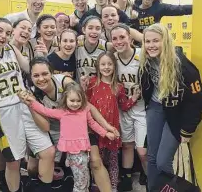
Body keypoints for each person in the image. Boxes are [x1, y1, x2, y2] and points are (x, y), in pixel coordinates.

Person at [0, 18, 55, 192]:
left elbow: (27, 67)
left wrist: (42, 55)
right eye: (0, 31)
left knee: (48, 152)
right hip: (4, 111)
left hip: (25, 103)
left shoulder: (10, 48)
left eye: (8, 33)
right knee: (14, 162)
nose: (4, 36)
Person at [28, 57, 119, 192]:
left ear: (51, 73)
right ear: (30, 76)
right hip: (57, 131)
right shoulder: (35, 95)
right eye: (36, 75)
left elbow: (88, 108)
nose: (41, 78)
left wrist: (107, 127)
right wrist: (30, 104)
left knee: (95, 161)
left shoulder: (65, 82)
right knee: (32, 168)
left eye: (45, 73)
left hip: (81, 129)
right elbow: (45, 126)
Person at [139, 23, 202, 190]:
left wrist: (187, 130)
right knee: (152, 157)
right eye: (147, 41)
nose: (151, 45)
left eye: (156, 41)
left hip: (176, 113)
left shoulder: (183, 66)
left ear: (166, 41)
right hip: (155, 107)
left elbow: (198, 99)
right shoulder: (146, 60)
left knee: (162, 161)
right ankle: (153, 189)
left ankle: (169, 188)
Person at [84, 51, 140, 192]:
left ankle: (113, 186)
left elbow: (123, 105)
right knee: (97, 159)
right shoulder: (91, 83)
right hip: (94, 128)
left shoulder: (118, 87)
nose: (106, 67)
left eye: (110, 64)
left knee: (113, 160)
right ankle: (97, 184)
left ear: (114, 66)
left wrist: (133, 98)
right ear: (98, 66)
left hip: (112, 129)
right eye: (103, 64)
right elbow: (85, 103)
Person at [110, 23, 147, 191]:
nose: (119, 41)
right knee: (127, 145)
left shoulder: (142, 55)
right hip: (123, 108)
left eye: (122, 37)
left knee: (142, 150)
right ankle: (127, 177)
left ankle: (150, 175)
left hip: (142, 109)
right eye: (115, 38)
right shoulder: (112, 59)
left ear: (130, 38)